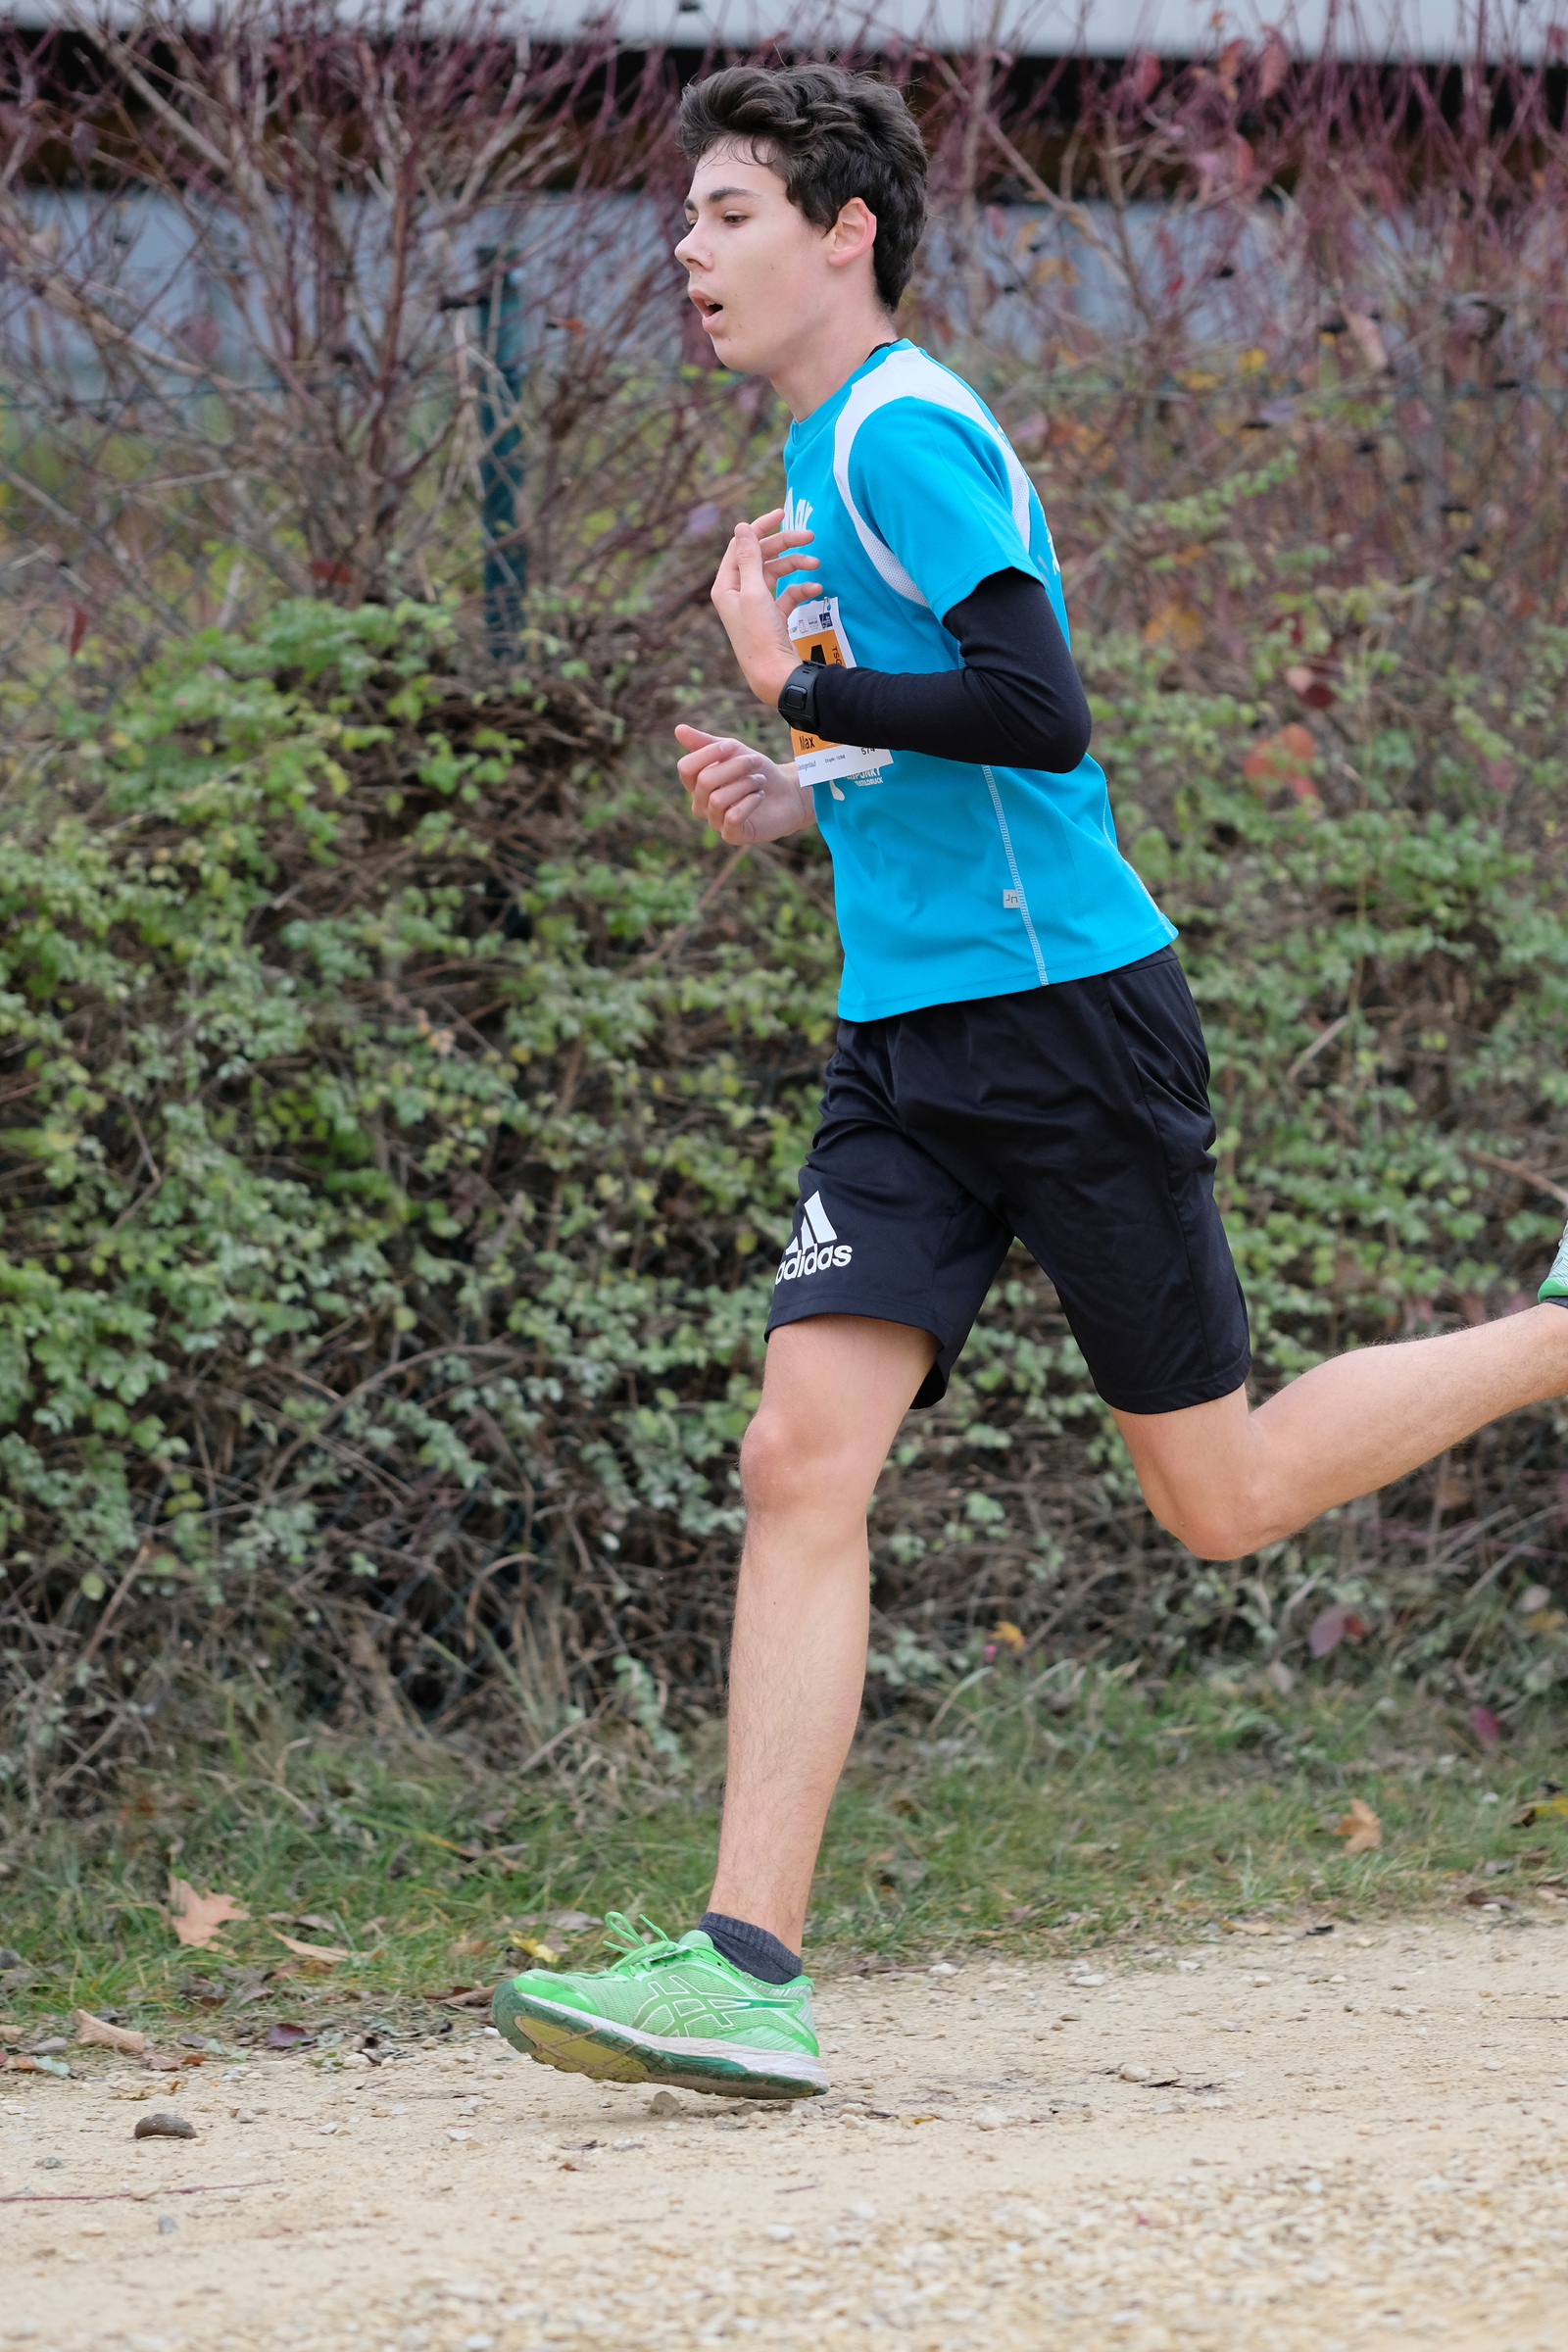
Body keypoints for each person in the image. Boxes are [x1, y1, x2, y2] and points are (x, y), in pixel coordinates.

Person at [493, 62, 1568, 2102]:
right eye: (685, 216)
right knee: (795, 1458)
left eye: (727, 212)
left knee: (1220, 1499)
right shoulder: (821, 445)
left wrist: (797, 684)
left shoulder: (897, 428)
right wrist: (808, 788)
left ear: (844, 233)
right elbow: (939, 742)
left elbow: (1036, 708)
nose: (684, 248)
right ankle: (744, 1968)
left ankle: (1556, 1333)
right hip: (906, 1039)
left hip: (1064, 1022)